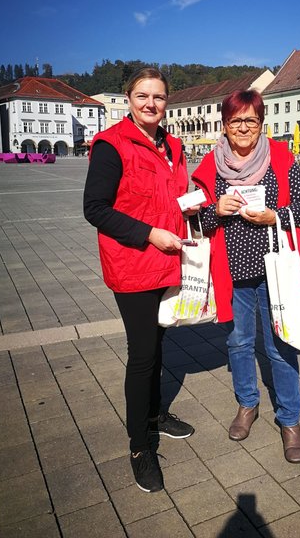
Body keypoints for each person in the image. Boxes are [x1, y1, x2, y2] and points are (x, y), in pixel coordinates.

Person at [192, 90, 300, 463]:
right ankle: (247, 404)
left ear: (261, 123)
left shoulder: (280, 159)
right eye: (236, 120)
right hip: (231, 271)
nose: (244, 127)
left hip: (274, 268)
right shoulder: (209, 166)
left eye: (251, 120)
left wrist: (275, 216)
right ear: (225, 126)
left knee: (282, 346)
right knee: (238, 344)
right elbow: (196, 222)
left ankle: (290, 421)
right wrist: (215, 209)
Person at [83, 67, 199, 493]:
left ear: (168, 101)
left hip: (168, 259)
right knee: (143, 353)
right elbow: (95, 208)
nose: (151, 104)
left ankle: (155, 415)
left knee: (160, 340)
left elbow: (171, 197)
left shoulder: (173, 144)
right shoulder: (112, 145)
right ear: (128, 98)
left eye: (159, 97)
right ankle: (139, 447)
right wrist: (150, 233)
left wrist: (194, 208)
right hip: (133, 263)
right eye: (142, 96)